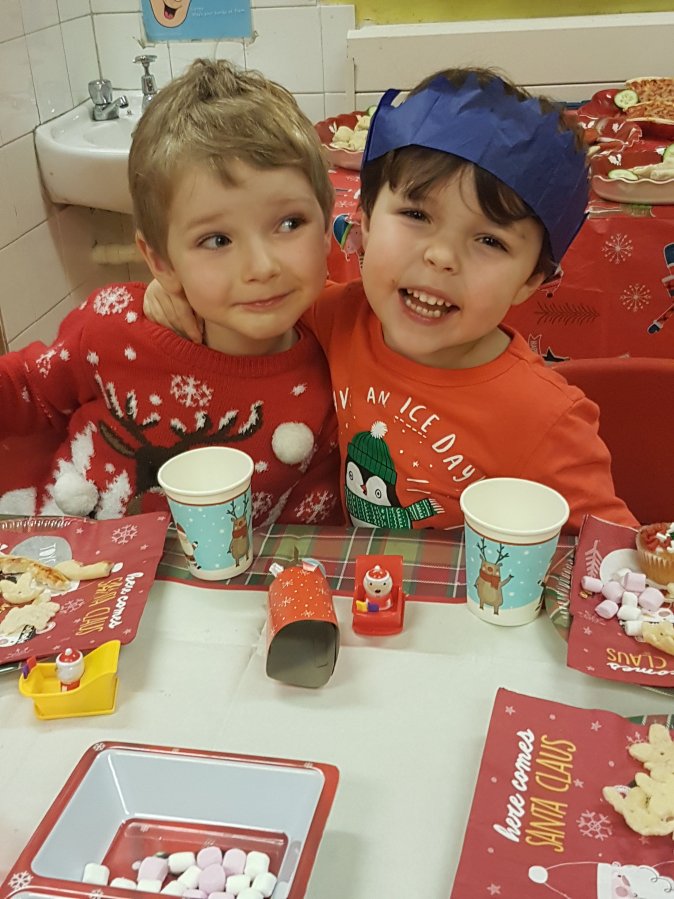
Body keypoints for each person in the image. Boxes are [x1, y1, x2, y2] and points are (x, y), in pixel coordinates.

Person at [145, 66, 638, 533]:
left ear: (531, 279)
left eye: (490, 241)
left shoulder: (546, 419)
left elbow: (611, 553)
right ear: (363, 220)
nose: (441, 257)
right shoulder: (336, 317)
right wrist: (172, 285)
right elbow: (258, 296)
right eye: (417, 216)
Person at [0, 59, 342, 525]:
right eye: (217, 240)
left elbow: (309, 537)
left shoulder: (335, 371)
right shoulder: (112, 327)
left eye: (289, 223)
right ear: (160, 261)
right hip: (57, 558)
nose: (262, 267)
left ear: (326, 229)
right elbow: (25, 391)